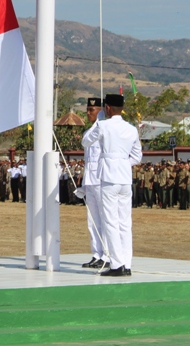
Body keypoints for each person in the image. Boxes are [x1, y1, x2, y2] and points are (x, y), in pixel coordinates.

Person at [82, 94, 142, 278]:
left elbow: (85, 142)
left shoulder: (103, 125)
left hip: (108, 178)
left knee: (110, 222)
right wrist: (122, 162)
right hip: (125, 178)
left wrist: (110, 160)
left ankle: (117, 264)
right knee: (125, 222)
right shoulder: (131, 129)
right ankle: (127, 263)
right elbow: (137, 157)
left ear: (107, 108)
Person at [79, 97, 107, 270]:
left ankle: (107, 255)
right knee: (93, 221)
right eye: (88, 109)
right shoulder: (89, 132)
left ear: (101, 110)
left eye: (92, 110)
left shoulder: (105, 129)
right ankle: (97, 254)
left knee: (105, 220)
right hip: (90, 181)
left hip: (102, 180)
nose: (88, 113)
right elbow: (88, 160)